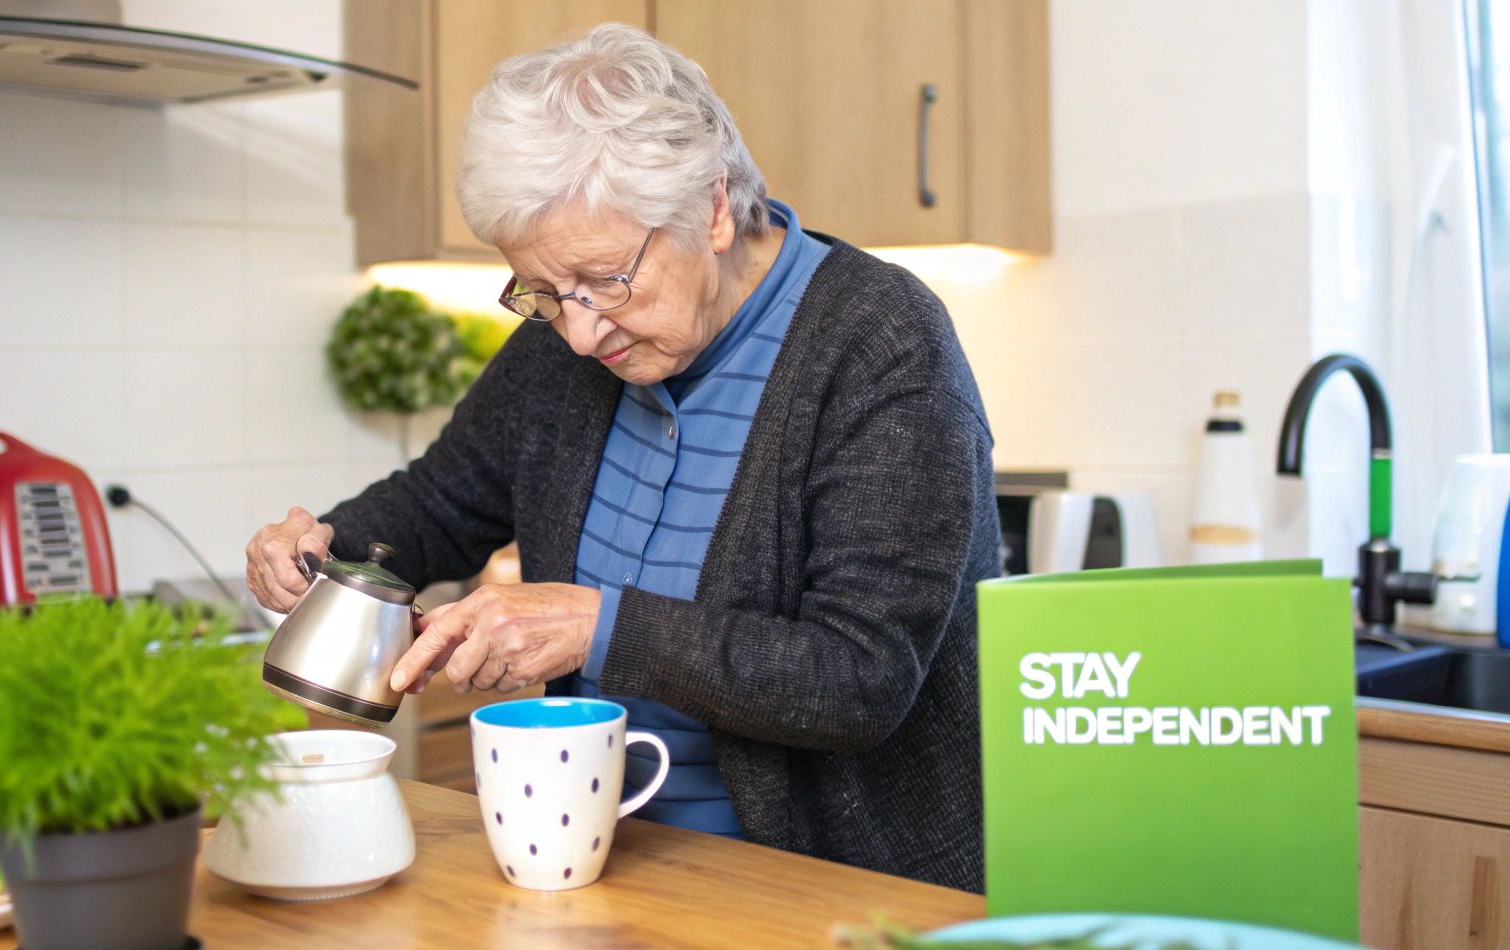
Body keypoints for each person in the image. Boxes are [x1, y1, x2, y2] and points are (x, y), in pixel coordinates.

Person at [245, 23, 998, 892]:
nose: (577, 330)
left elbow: (858, 678)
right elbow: (441, 505)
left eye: (607, 281)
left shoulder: (881, 343)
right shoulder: (565, 346)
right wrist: (325, 548)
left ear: (713, 210)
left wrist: (593, 626)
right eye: (542, 292)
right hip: (604, 866)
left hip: (840, 890)